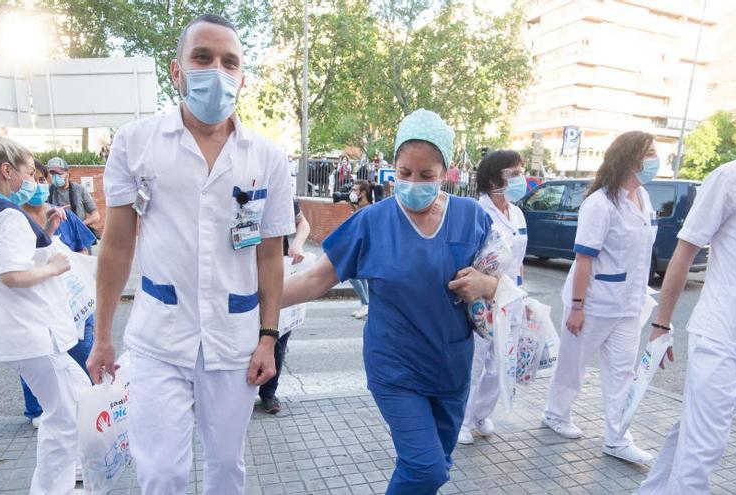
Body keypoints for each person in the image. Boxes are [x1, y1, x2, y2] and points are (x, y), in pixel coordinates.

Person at [86, 13, 294, 495]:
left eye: (229, 62)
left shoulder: (267, 158)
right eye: (202, 57)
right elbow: (117, 245)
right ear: (177, 71)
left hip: (233, 340)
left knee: (226, 468)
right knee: (161, 474)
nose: (215, 71)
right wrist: (102, 337)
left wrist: (268, 337)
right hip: (161, 338)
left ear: (242, 77)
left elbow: (269, 256)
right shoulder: (137, 143)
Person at [282, 109, 499, 494]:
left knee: (436, 465)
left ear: (445, 172)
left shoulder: (471, 217)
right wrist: (251, 300)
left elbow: (506, 277)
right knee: (426, 468)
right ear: (393, 169)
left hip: (451, 366)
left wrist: (486, 283)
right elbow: (316, 279)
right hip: (396, 367)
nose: (414, 182)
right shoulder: (372, 222)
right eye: (405, 173)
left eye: (426, 175)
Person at [638, 91, 736, 494]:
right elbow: (684, 252)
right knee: (707, 444)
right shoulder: (733, 177)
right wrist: (661, 324)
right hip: (721, 334)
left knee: (696, 427)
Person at [0, 117, 88, 493]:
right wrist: (53, 266)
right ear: (6, 170)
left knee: (78, 397)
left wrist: (46, 233)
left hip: (22, 332)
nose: (33, 180)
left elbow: (8, 263)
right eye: (28, 172)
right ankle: (56, 487)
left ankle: (74, 473)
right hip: (32, 331)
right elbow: (12, 274)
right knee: (64, 415)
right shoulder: (5, 214)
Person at [542, 131, 660, 465]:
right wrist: (577, 307)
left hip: (628, 305)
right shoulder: (600, 203)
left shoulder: (644, 198)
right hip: (592, 303)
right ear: (632, 158)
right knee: (573, 366)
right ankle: (555, 413)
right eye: (650, 153)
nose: (655, 160)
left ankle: (618, 438)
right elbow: (583, 259)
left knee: (623, 373)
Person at [19, 159, 97, 428]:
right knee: (39, 356)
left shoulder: (63, 214)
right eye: (36, 178)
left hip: (74, 299)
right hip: (39, 303)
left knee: (83, 351)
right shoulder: (14, 221)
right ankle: (39, 410)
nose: (41, 184)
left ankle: (90, 404)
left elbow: (84, 249)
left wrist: (73, 264)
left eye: (43, 178)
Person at [458, 150, 529, 445]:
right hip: (482, 299)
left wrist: (524, 297)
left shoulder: (518, 212)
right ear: (491, 179)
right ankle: (461, 420)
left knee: (501, 363)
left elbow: (519, 260)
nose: (520, 179)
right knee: (474, 363)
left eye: (521, 171)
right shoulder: (477, 212)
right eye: (512, 173)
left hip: (511, 297)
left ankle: (480, 414)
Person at [258, 199, 310, 414]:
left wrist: (297, 244)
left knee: (278, 336)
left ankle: (268, 392)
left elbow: (303, 223)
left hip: (278, 271)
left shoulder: (282, 193)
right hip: (242, 273)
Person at [47, 156, 102, 233]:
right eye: (52, 174)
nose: (56, 177)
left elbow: (96, 216)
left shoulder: (79, 190)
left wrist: (80, 225)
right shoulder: (48, 191)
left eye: (59, 173)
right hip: (57, 235)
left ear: (68, 174)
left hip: (78, 235)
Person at [347, 179, 372, 319]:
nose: (352, 193)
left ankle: (366, 303)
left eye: (355, 190)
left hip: (364, 249)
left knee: (353, 276)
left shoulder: (368, 209)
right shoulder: (360, 208)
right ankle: (365, 304)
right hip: (360, 248)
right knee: (360, 277)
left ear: (363, 192)